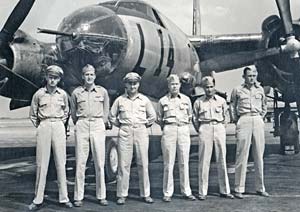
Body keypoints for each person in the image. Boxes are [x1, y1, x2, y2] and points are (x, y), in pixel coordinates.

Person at [28, 65, 73, 210]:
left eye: (56, 78)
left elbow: (66, 112)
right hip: (44, 125)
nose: (52, 80)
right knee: (42, 163)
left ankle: (64, 197)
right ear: (46, 77)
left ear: (59, 79)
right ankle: (38, 199)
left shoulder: (63, 95)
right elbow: (33, 114)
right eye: (50, 77)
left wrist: (59, 123)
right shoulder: (39, 94)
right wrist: (42, 126)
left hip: (59, 125)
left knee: (61, 162)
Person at [109, 72, 156, 205]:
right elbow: (112, 116)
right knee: (124, 164)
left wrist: (143, 125)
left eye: (135, 83)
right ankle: (122, 194)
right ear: (125, 84)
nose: (132, 86)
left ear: (138, 84)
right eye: (130, 83)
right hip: (125, 131)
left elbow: (152, 116)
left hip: (141, 130)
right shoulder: (120, 100)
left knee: (143, 163)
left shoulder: (144, 100)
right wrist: (123, 125)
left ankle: (145, 194)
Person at [70, 64, 110, 207]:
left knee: (100, 162)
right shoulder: (76, 93)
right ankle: (78, 196)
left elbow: (106, 110)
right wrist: (80, 122)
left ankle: (101, 195)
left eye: (92, 74)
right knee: (80, 162)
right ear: (82, 76)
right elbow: (73, 112)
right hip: (82, 124)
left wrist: (102, 123)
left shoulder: (102, 92)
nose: (89, 77)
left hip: (98, 124)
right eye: (87, 74)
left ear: (95, 76)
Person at [230, 66, 269, 199]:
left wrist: (260, 117)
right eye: (249, 76)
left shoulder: (260, 89)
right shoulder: (237, 90)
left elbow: (264, 106)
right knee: (242, 155)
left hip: (257, 119)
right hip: (244, 118)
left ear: (256, 76)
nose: (251, 78)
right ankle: (239, 188)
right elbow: (232, 107)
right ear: (244, 77)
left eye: (253, 76)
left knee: (259, 155)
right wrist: (238, 121)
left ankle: (260, 187)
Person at [193, 76, 234, 200]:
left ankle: (225, 190)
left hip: (219, 127)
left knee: (222, 159)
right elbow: (195, 119)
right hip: (205, 127)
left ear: (214, 87)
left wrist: (222, 126)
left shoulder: (221, 101)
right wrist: (201, 129)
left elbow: (227, 116)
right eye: (206, 87)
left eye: (211, 87)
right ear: (203, 88)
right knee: (204, 160)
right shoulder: (198, 102)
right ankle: (202, 191)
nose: (209, 89)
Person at [157, 74, 196, 202]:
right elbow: (159, 118)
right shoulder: (162, 101)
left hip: (183, 129)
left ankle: (186, 191)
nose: (174, 86)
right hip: (169, 129)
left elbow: (190, 115)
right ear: (168, 86)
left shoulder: (186, 100)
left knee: (184, 161)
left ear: (180, 85)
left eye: (176, 84)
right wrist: (168, 126)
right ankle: (167, 192)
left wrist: (182, 125)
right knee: (169, 162)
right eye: (172, 84)